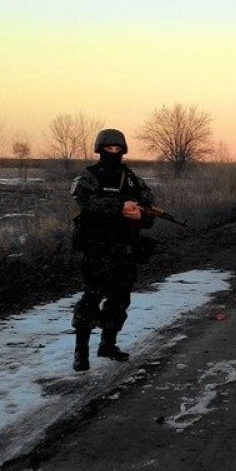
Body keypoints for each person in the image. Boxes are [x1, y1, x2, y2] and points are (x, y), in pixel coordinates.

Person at [69, 128, 156, 372]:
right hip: (97, 249)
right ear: (100, 150)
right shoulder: (89, 176)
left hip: (125, 249)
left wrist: (142, 214)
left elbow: (148, 205)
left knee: (119, 299)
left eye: (118, 149)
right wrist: (120, 206)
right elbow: (87, 203)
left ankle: (108, 344)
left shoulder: (131, 178)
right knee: (92, 297)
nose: (114, 152)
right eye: (109, 149)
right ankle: (81, 351)